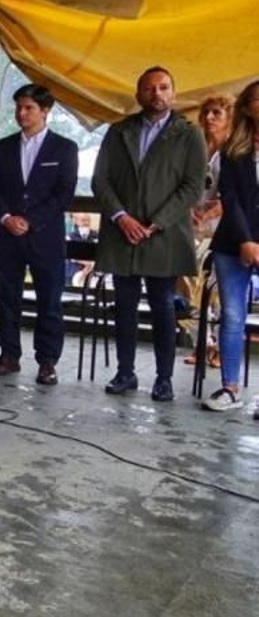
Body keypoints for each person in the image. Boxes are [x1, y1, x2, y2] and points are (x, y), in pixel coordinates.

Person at [93, 66, 206, 402]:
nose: (157, 94)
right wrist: (121, 217)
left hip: (164, 234)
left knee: (163, 308)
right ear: (138, 93)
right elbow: (101, 180)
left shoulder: (189, 134)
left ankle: (164, 379)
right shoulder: (119, 131)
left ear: (173, 92)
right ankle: (124, 373)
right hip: (121, 233)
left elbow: (192, 186)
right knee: (124, 306)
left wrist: (156, 222)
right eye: (149, 88)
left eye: (164, 87)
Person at [0, 84, 79, 386]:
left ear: (45, 111)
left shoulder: (64, 148)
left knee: (49, 300)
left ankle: (47, 361)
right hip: (7, 236)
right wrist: (8, 217)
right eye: (18, 108)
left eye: (29, 108)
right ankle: (9, 354)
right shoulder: (3, 146)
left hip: (45, 236)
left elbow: (64, 194)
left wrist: (31, 220)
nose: (21, 113)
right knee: (6, 298)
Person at [201, 80, 259, 414]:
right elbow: (231, 199)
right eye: (255, 100)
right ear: (247, 108)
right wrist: (246, 240)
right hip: (232, 242)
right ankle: (229, 387)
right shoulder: (233, 150)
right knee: (233, 316)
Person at [183, 94, 233, 364]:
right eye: (206, 113)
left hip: (223, 230)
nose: (210, 118)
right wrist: (188, 209)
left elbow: (242, 192)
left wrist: (218, 207)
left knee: (219, 289)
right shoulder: (194, 149)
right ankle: (201, 343)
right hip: (191, 226)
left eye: (217, 113)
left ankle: (223, 348)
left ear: (229, 119)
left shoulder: (236, 151)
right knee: (187, 284)